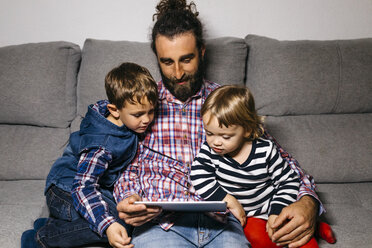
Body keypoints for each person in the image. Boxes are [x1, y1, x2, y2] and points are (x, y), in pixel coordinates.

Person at [114, 0, 326, 248]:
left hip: (224, 224)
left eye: (186, 59)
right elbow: (123, 166)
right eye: (167, 62)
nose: (178, 73)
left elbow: (280, 162)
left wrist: (308, 201)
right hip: (163, 225)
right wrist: (128, 198)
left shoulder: (226, 103)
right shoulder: (141, 107)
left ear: (202, 52)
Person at [21, 62, 158, 248]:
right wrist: (108, 225)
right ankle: (42, 238)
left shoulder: (124, 119)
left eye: (151, 111)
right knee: (119, 223)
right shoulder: (101, 146)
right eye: (138, 114)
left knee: (132, 216)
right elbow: (82, 187)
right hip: (65, 190)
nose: (147, 119)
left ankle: (49, 224)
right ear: (114, 110)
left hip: (95, 186)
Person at [190, 85, 336, 248]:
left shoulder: (265, 150)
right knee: (257, 238)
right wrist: (227, 199)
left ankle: (316, 227)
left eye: (225, 136)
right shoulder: (209, 151)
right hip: (247, 216)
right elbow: (198, 176)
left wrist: (276, 212)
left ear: (247, 130)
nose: (215, 142)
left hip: (275, 206)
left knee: (297, 236)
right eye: (209, 133)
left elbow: (288, 181)